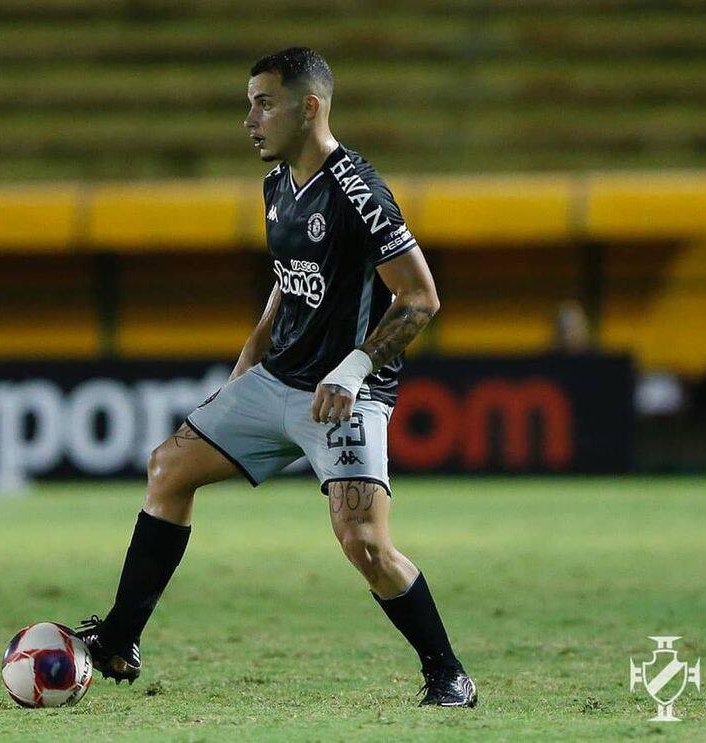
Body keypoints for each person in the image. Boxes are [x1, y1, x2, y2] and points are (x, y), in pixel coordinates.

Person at [76, 47, 477, 707]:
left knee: (365, 543)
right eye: (249, 103)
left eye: (264, 103)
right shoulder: (276, 186)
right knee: (168, 468)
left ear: (308, 107)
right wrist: (249, 361)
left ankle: (448, 673)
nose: (249, 119)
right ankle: (121, 638)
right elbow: (287, 285)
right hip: (279, 381)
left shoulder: (358, 189)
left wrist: (353, 369)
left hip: (347, 397)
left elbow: (421, 298)